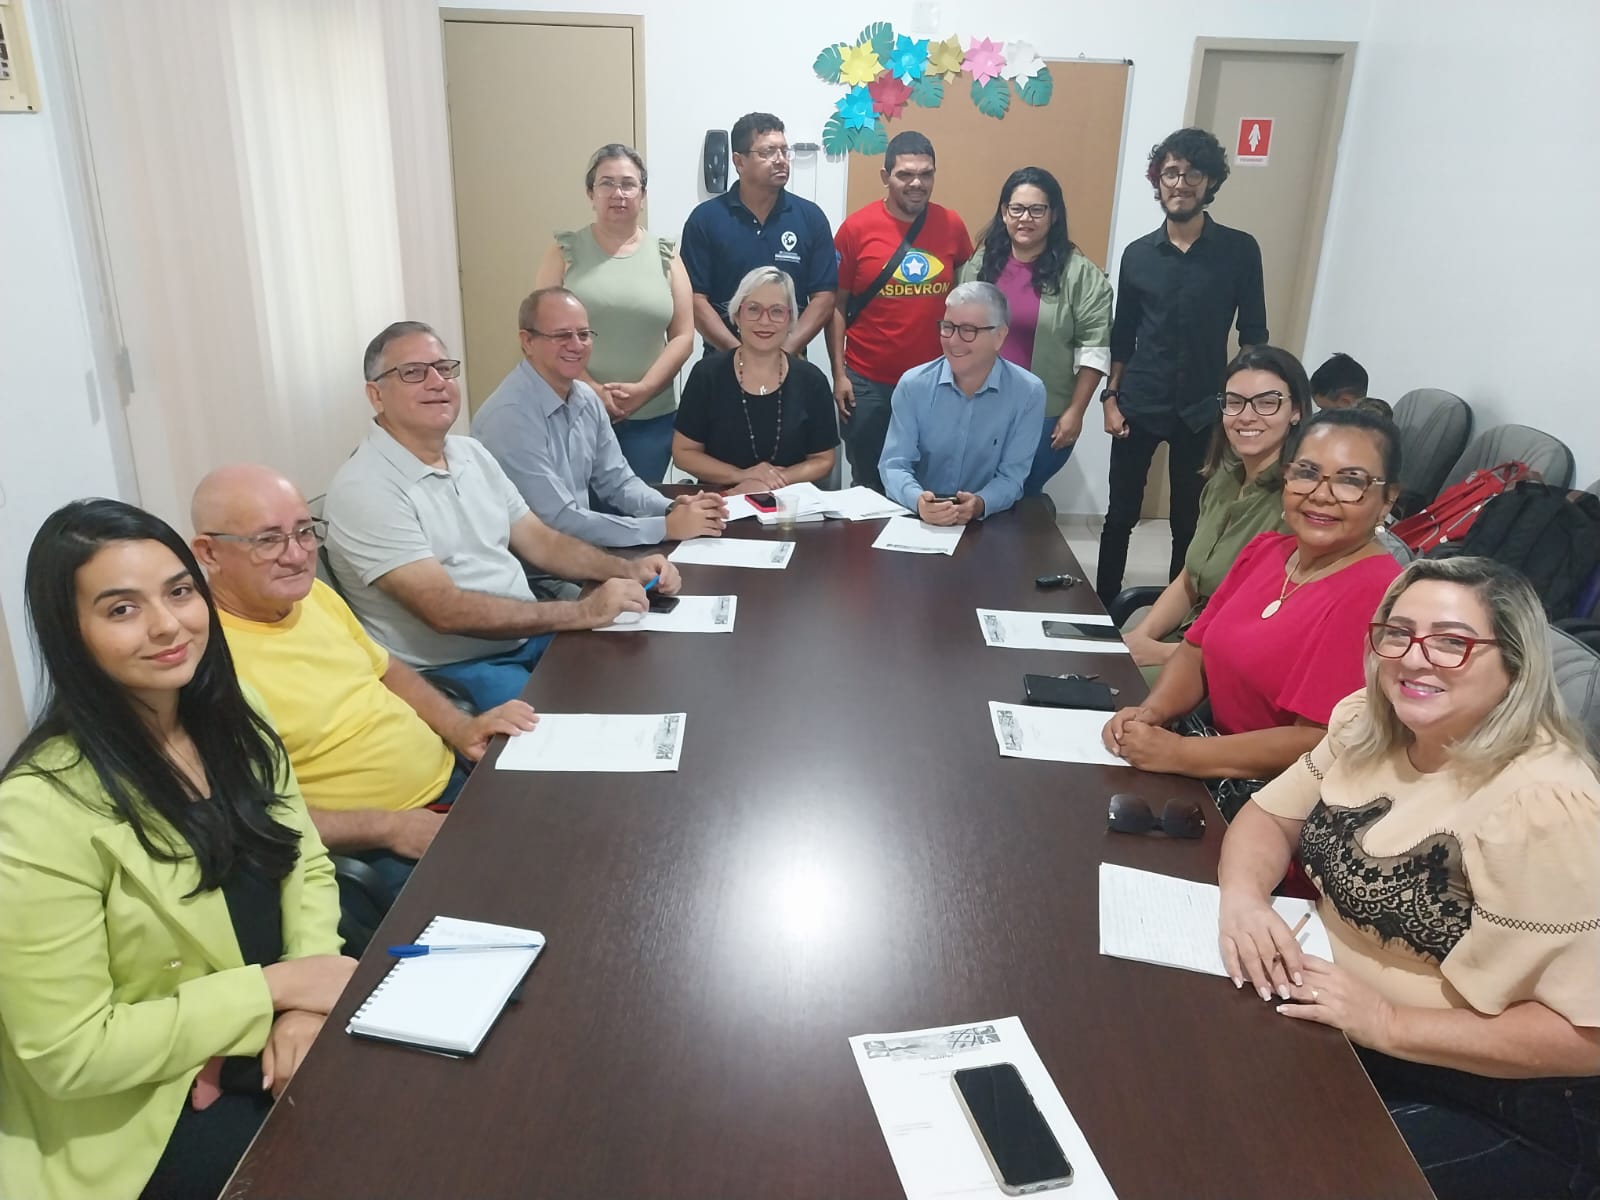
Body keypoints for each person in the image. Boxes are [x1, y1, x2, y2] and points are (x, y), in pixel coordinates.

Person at [0, 499, 353, 1200]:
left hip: (271, 1033)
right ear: (69, 633)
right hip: (153, 1100)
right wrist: (272, 992)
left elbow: (305, 860)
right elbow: (70, 1051)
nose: (168, 625)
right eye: (121, 609)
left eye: (180, 591)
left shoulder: (232, 712)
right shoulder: (36, 811)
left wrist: (305, 1004)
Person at [1218, 557, 1600, 1200]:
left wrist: (1389, 1023)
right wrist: (1244, 901)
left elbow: (1587, 1038)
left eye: (1453, 642)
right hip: (1344, 1032)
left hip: (1496, 1095)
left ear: (1515, 663)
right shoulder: (1370, 724)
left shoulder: (1545, 804)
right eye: (1397, 632)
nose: (1415, 659)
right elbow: (1266, 816)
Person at [191, 464, 538, 904]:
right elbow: (252, 816)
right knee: (526, 906)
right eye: (267, 540)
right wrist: (390, 828)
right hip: (377, 847)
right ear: (208, 553)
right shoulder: (204, 662)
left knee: (580, 827)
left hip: (456, 783)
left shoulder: (314, 596)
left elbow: (387, 670)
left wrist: (461, 729)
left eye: (303, 532)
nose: (296, 555)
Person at [325, 320, 681, 712]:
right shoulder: (365, 488)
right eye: (413, 373)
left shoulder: (470, 453)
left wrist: (625, 571)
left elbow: (542, 543)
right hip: (457, 668)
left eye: (444, 368)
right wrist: (582, 612)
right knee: (578, 722)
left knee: (653, 672)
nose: (436, 382)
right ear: (375, 394)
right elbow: (444, 610)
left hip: (527, 634)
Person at [1102, 408, 1403, 786]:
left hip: (1276, 797)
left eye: (1350, 481)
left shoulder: (1378, 594)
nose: (1321, 495)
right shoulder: (1266, 550)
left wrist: (1180, 754)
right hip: (1207, 756)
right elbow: (1196, 651)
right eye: (1307, 473)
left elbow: (1319, 738)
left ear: (1388, 499)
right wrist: (1151, 714)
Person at [1099, 127, 1268, 605]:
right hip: (1139, 404)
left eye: (1193, 173)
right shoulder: (1136, 255)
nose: (1181, 182)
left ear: (1210, 182)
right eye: (1171, 172)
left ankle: (1177, 619)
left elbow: (1254, 335)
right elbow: (1122, 336)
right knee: (1119, 516)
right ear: (1158, 181)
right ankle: (1103, 609)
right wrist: (1110, 399)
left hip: (1203, 408)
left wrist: (1237, 403)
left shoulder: (1240, 251)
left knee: (1188, 521)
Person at [474, 288, 727, 547]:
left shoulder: (585, 398)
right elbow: (559, 520)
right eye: (562, 335)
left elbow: (618, 483)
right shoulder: (509, 417)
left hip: (574, 554)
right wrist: (666, 527)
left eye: (583, 334)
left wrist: (671, 508)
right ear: (527, 341)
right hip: (530, 574)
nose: (576, 345)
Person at [1124, 345, 1312, 674]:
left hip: (1228, 665)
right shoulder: (1222, 481)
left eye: (1267, 403)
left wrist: (1164, 654)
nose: (1247, 416)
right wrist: (1140, 638)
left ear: (1295, 411)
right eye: (1234, 402)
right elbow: (1189, 580)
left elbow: (1265, 628)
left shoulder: (1297, 504)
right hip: (1186, 639)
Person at [531, 143, 693, 482]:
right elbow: (540, 332)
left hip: (652, 418)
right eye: (606, 183)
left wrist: (644, 390)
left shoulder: (666, 254)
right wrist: (593, 391)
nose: (617, 193)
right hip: (573, 411)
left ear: (643, 194)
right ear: (591, 193)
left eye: (628, 184)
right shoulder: (565, 251)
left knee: (640, 521)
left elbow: (683, 336)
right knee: (580, 517)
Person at [827, 130, 973, 492]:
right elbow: (836, 307)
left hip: (935, 382)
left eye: (926, 174)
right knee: (869, 481)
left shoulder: (952, 225)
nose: (916, 183)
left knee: (929, 481)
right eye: (905, 174)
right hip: (867, 381)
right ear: (885, 176)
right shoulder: (855, 229)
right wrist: (839, 374)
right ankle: (864, 550)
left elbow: (969, 300)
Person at [961, 166, 1113, 496]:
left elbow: (1095, 348)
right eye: (1016, 208)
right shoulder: (981, 265)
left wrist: (1076, 412)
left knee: (1022, 499)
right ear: (1004, 212)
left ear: (1054, 215)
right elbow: (960, 332)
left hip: (1043, 416)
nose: (1025, 218)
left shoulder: (1079, 274)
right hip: (979, 409)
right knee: (979, 500)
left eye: (1036, 209)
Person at [878, 281, 1044, 525]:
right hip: (918, 521)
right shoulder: (913, 385)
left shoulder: (1028, 393)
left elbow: (1012, 477)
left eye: (968, 330)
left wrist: (980, 503)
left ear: (999, 336)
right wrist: (919, 501)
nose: (954, 341)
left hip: (987, 522)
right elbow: (894, 465)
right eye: (948, 327)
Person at [680, 112, 837, 356]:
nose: (780, 160)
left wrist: (784, 352)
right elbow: (694, 299)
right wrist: (739, 354)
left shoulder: (811, 218)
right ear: (739, 161)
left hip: (790, 360)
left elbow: (824, 297)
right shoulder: (706, 219)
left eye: (784, 151)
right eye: (767, 152)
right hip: (724, 358)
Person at [671, 267, 838, 493]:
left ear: (790, 320)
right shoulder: (707, 375)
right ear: (737, 316)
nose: (765, 321)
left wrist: (776, 479)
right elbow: (684, 453)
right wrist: (743, 476)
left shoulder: (812, 380)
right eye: (753, 309)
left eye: (777, 311)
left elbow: (824, 459)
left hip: (789, 506)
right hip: (722, 502)